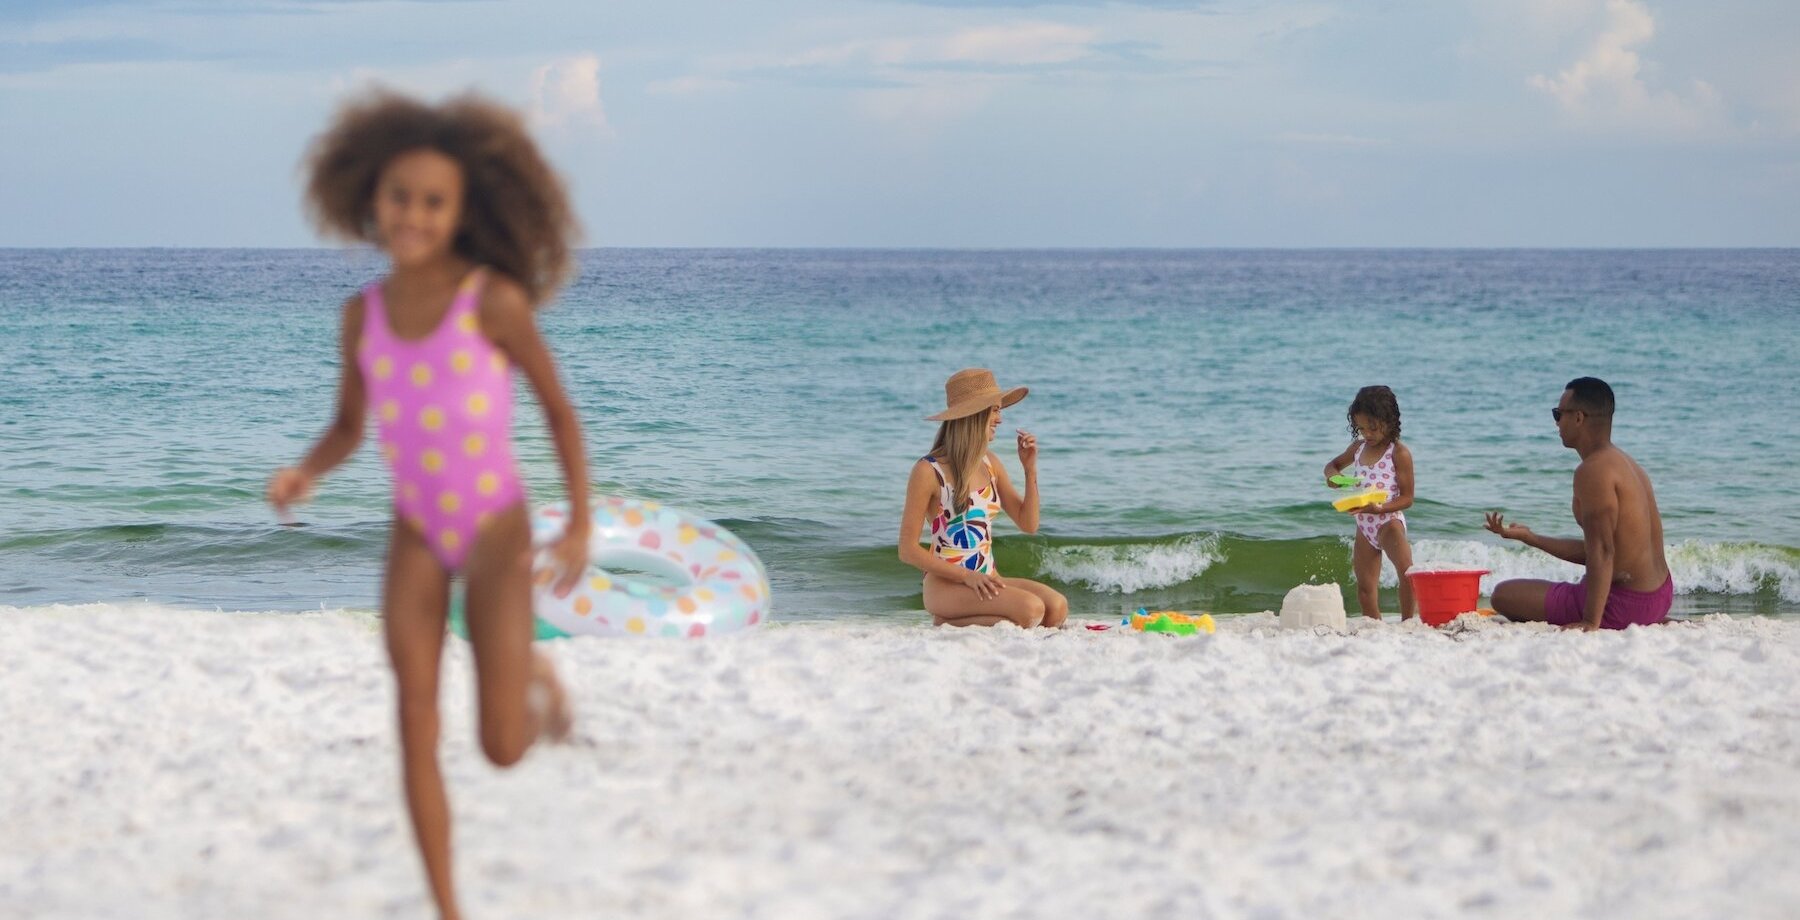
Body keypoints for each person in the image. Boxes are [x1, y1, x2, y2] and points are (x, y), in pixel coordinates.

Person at [265, 89, 589, 920]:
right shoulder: (360, 315)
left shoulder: (493, 302)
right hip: (415, 531)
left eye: (433, 201)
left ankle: (537, 679)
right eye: (399, 196)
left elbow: (557, 410)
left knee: (502, 749)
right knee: (413, 716)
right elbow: (347, 426)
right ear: (371, 200)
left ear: (460, 211)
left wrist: (580, 520)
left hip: (493, 530)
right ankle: (449, 909)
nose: (413, 214)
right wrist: (306, 472)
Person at [1483, 377, 1672, 631]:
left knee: (1503, 595)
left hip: (1622, 605)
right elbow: (1604, 549)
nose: (1557, 423)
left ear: (1579, 418)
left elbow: (1602, 551)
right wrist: (1531, 538)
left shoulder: (1593, 471)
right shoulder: (1627, 464)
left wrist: (1590, 621)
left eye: (1558, 414)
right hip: (1659, 597)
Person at [898, 368, 1069, 628]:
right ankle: (946, 620)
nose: (1000, 419)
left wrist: (1030, 469)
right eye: (995, 410)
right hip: (946, 586)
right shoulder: (928, 471)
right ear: (974, 414)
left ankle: (960, 620)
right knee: (1030, 610)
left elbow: (1029, 524)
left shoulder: (990, 464)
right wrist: (966, 575)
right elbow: (907, 550)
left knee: (1056, 607)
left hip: (986, 578)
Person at [1323, 385, 1417, 619]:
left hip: (1388, 521)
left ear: (1389, 421)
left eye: (1372, 428)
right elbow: (1331, 466)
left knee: (1407, 574)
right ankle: (1375, 628)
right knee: (1365, 588)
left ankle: (1408, 623)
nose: (1367, 434)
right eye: (1361, 428)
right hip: (1364, 524)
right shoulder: (1357, 449)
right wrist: (1335, 479)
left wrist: (1380, 508)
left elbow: (1407, 498)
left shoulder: (1398, 453)